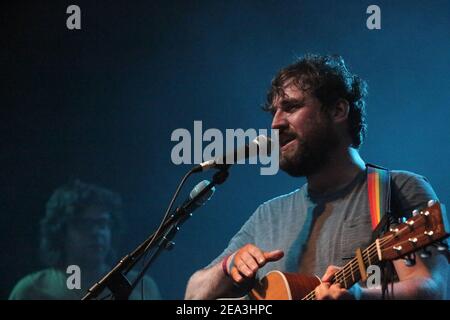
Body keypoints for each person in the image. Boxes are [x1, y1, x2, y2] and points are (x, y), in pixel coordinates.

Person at [185, 54, 448, 300]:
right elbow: (193, 294)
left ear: (337, 111)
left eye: (291, 106)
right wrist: (228, 265)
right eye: (273, 112)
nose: (275, 123)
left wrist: (359, 296)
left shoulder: (397, 189)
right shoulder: (268, 215)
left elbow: (432, 287)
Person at [9, 179, 162, 300]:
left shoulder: (142, 285)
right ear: (61, 232)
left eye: (102, 224)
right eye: (84, 224)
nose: (96, 232)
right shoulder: (33, 289)